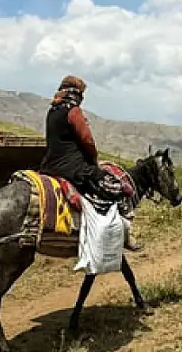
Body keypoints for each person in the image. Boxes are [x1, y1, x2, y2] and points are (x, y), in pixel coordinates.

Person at [39, 75, 142, 251]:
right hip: (74, 168)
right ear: (76, 94)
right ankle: (121, 233)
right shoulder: (73, 111)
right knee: (117, 186)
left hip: (49, 165)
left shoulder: (53, 111)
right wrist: (94, 160)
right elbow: (87, 140)